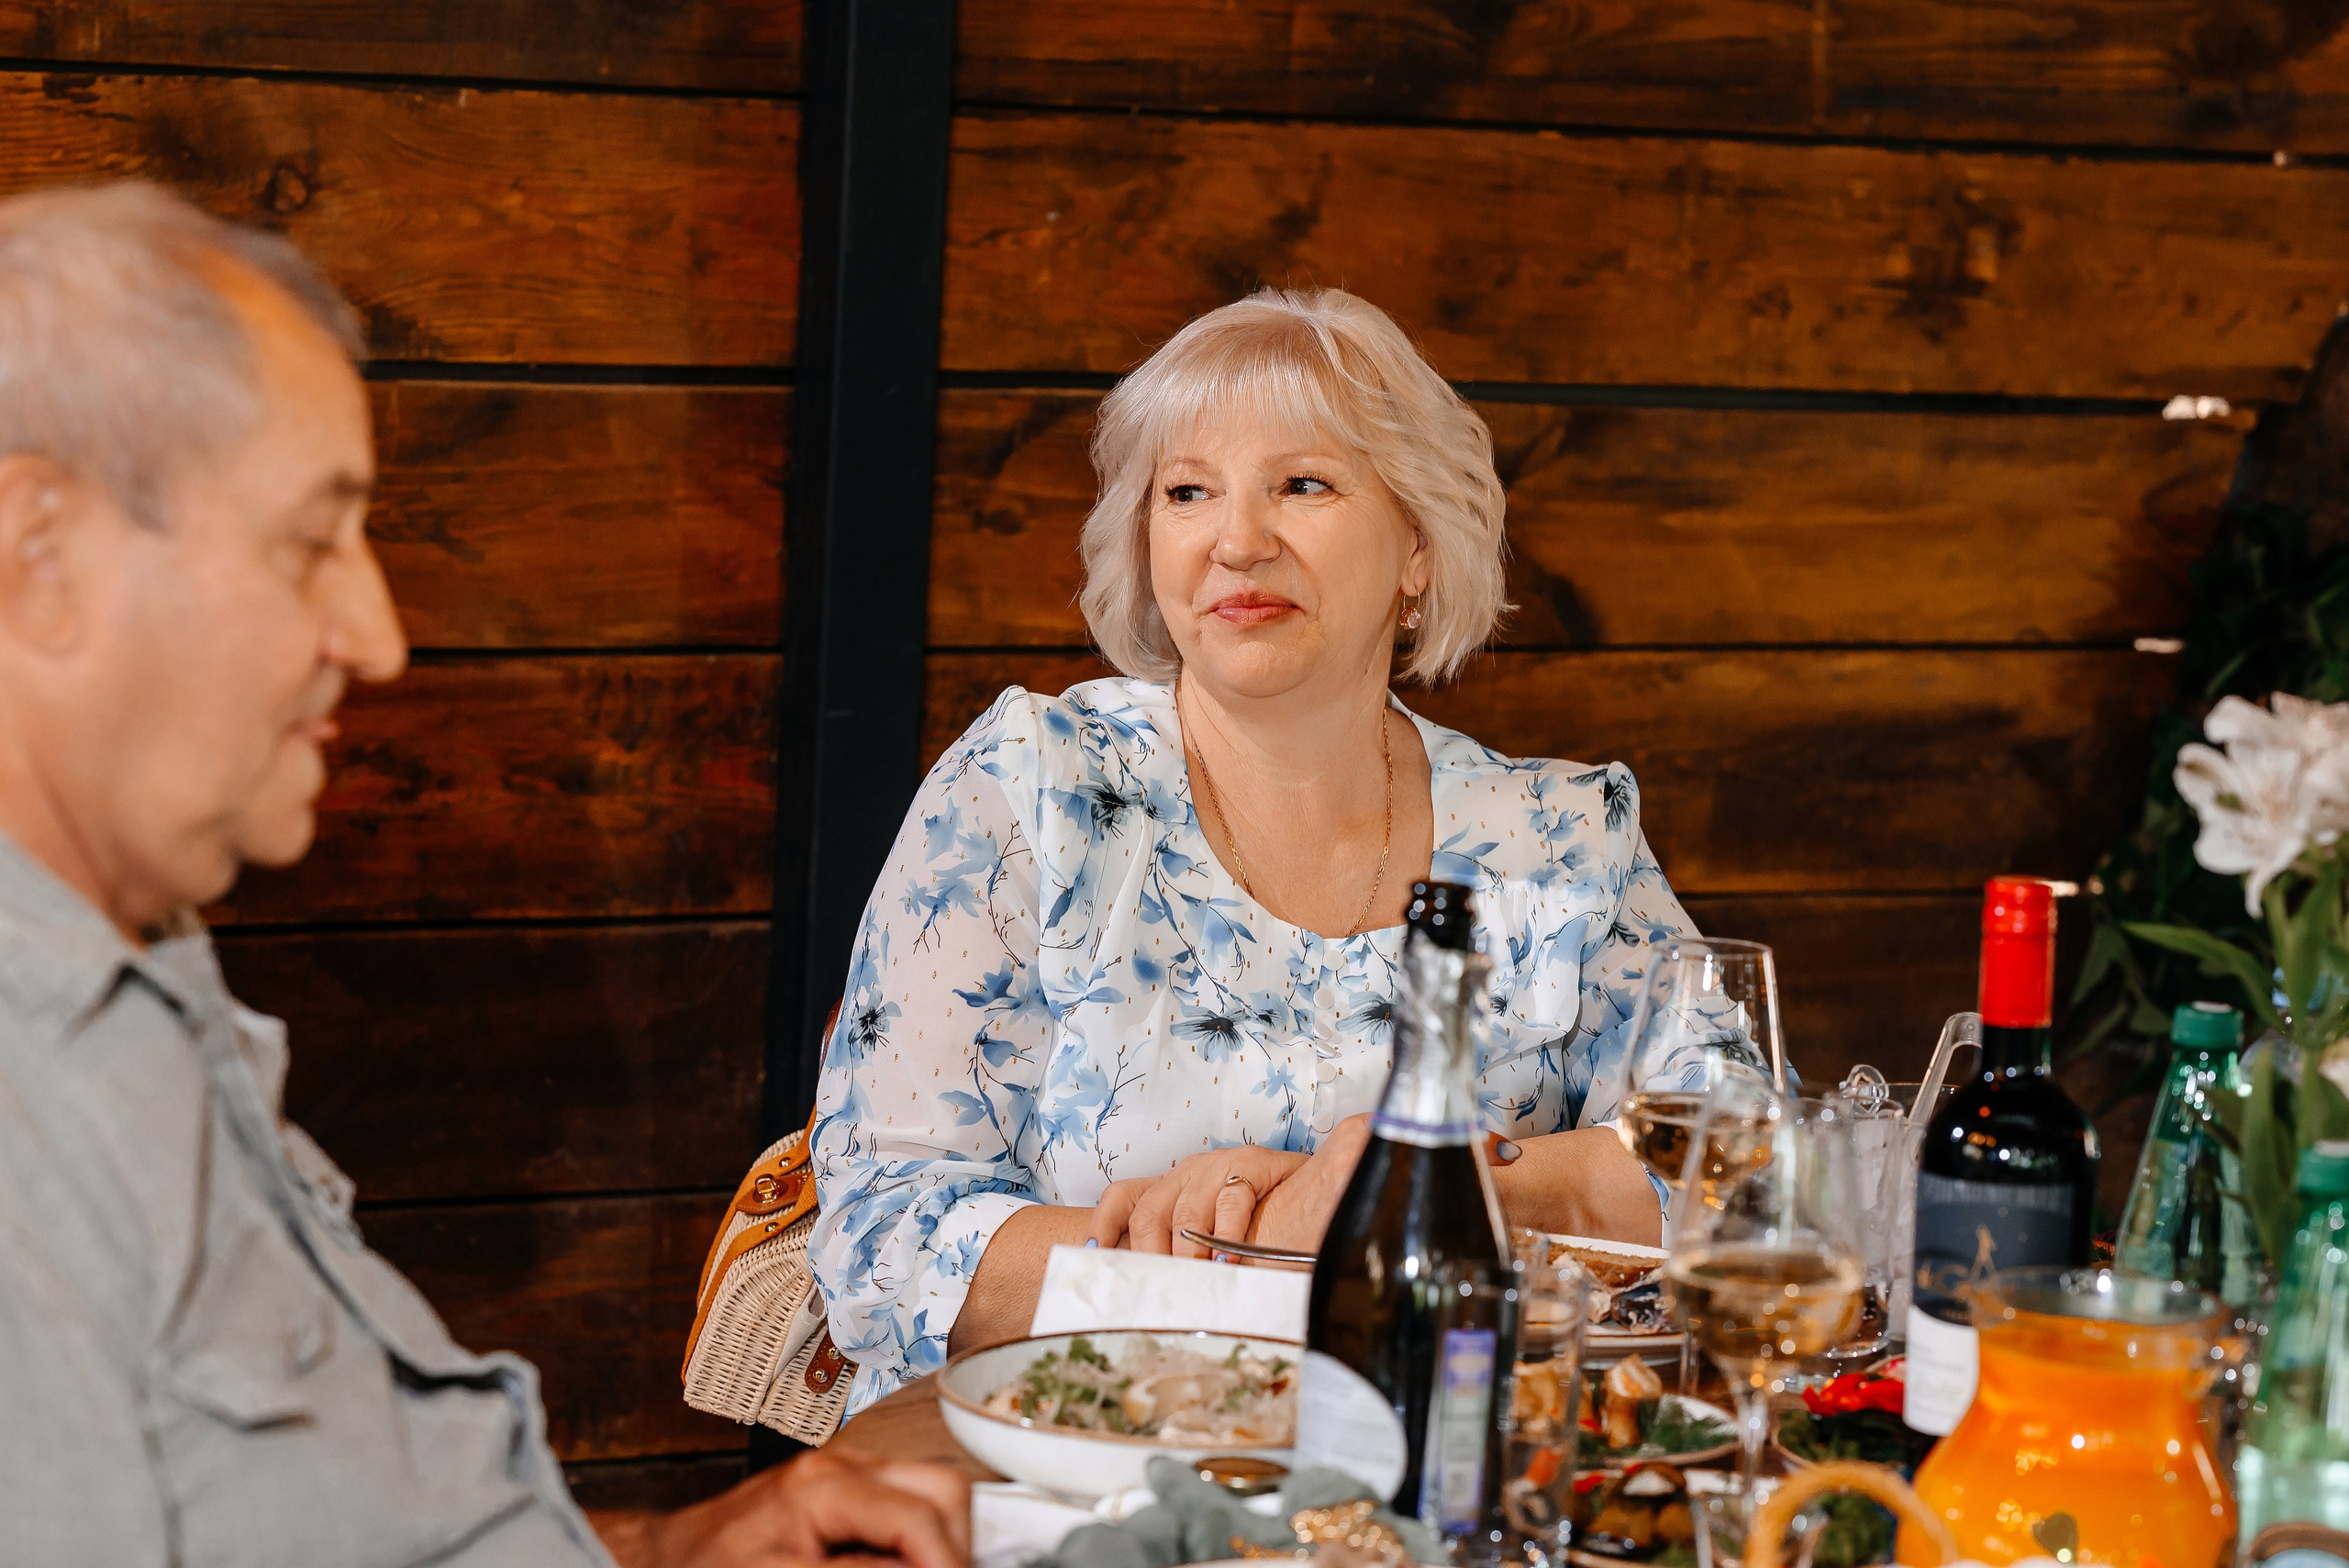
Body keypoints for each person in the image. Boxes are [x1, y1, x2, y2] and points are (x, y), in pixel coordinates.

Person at [0, 183, 969, 1567]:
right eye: (310, 540)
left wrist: (671, 1547)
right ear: (41, 554)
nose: (378, 636)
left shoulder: (143, 955)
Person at [808, 286, 1697, 1419]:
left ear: (1418, 543)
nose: (1236, 540)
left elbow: (1739, 1177)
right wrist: (1274, 1250)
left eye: (1303, 484)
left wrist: (1419, 1184)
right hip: (1066, 1474)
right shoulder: (1033, 785)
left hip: (1447, 1476)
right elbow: (883, 1236)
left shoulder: (1560, 836)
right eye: (1187, 492)